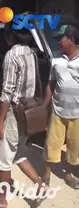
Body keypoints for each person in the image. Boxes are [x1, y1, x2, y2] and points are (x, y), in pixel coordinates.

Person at [0, 23, 46, 208]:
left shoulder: (12, 55)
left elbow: (7, 92)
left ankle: (1, 201)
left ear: (11, 35)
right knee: (18, 152)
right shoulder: (31, 53)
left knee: (3, 159)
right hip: (28, 112)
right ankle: (40, 185)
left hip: (15, 113)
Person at [42, 25, 79, 189]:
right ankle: (46, 175)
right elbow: (51, 83)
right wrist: (45, 105)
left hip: (77, 114)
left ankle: (68, 174)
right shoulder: (56, 59)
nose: (58, 42)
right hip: (57, 111)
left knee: (74, 148)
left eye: (61, 38)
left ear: (71, 39)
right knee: (51, 145)